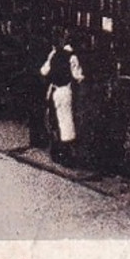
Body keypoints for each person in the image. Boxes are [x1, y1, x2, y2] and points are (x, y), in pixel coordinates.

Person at [40, 29, 84, 166]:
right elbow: (78, 76)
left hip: (53, 91)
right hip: (65, 91)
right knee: (66, 122)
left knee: (54, 120)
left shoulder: (54, 53)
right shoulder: (72, 57)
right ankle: (66, 155)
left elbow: (43, 71)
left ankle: (55, 150)